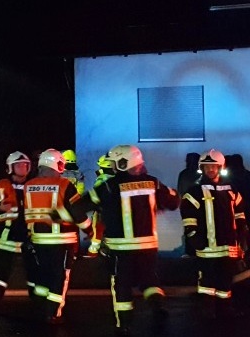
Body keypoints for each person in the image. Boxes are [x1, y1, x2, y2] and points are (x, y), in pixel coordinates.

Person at [79, 144, 180, 336]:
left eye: (115, 163)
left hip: (120, 248)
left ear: (123, 163)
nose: (113, 167)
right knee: (149, 279)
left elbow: (82, 205)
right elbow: (174, 202)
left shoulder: (108, 185)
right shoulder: (153, 183)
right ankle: (157, 306)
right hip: (148, 247)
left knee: (122, 285)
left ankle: (123, 325)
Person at [16, 148, 93, 325]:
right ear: (56, 164)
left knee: (43, 275)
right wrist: (89, 231)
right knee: (60, 277)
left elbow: (23, 213)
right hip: (63, 241)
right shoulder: (65, 185)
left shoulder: (28, 185)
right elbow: (78, 213)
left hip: (37, 240)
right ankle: (52, 313)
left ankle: (40, 307)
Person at [180, 149, 248, 319]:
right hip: (206, 246)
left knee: (226, 280)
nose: (210, 170)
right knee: (207, 281)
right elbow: (188, 215)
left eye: (213, 166)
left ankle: (224, 310)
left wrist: (242, 233)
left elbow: (239, 213)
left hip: (229, 246)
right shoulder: (194, 191)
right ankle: (207, 310)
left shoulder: (231, 189)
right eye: (207, 166)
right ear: (201, 168)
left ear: (220, 167)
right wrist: (193, 234)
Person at [0, 151, 39, 316]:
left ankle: (38, 304)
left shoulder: (35, 185)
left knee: (34, 272)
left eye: (25, 165)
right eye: (19, 165)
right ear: (10, 167)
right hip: (7, 236)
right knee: (0, 272)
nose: (22, 168)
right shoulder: (1, 185)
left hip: (30, 237)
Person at [82, 154, 114, 257]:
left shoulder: (102, 178)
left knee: (97, 229)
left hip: (101, 210)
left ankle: (93, 252)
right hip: (114, 211)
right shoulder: (116, 178)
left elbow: (96, 197)